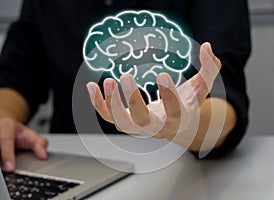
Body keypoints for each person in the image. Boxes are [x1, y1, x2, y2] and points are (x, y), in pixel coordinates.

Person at [0, 0, 251, 172]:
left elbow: (225, 97)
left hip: (182, 167)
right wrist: (4, 118)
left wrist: (183, 124)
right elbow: (19, 75)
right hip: (69, 164)